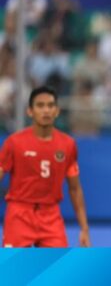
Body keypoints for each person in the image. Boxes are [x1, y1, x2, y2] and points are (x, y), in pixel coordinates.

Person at [0, 86, 91, 247]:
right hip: (19, 214)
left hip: (51, 215)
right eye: (40, 105)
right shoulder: (14, 143)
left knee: (57, 269)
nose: (46, 110)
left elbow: (75, 189)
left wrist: (84, 228)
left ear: (57, 111)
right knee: (15, 269)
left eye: (50, 105)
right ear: (30, 111)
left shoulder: (67, 144)